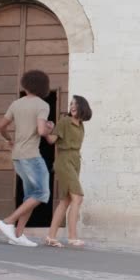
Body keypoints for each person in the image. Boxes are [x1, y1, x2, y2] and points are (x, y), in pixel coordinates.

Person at [0, 70, 54, 247]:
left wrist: (9, 140)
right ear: (43, 86)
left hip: (18, 156)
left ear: (26, 84)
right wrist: (50, 127)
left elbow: (0, 126)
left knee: (30, 195)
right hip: (31, 156)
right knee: (42, 193)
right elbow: (42, 131)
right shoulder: (42, 105)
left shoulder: (16, 104)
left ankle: (18, 235)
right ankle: (8, 222)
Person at [44, 95, 92, 248]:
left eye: (76, 104)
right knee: (77, 198)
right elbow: (52, 140)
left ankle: (51, 237)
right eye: (71, 104)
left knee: (66, 200)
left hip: (75, 160)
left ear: (82, 107)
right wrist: (46, 131)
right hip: (64, 160)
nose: (72, 106)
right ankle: (72, 237)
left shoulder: (81, 125)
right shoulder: (65, 121)